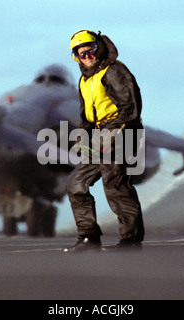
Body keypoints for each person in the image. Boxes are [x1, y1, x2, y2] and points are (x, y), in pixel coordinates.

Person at [63, 29, 144, 252]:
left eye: (91, 49)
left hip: (122, 132)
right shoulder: (85, 80)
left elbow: (130, 108)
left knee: (115, 185)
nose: (87, 55)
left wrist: (112, 133)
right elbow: (87, 117)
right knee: (76, 185)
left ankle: (131, 241)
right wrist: (82, 138)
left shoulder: (114, 71)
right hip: (99, 136)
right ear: (75, 57)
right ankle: (89, 237)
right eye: (81, 53)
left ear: (99, 47)